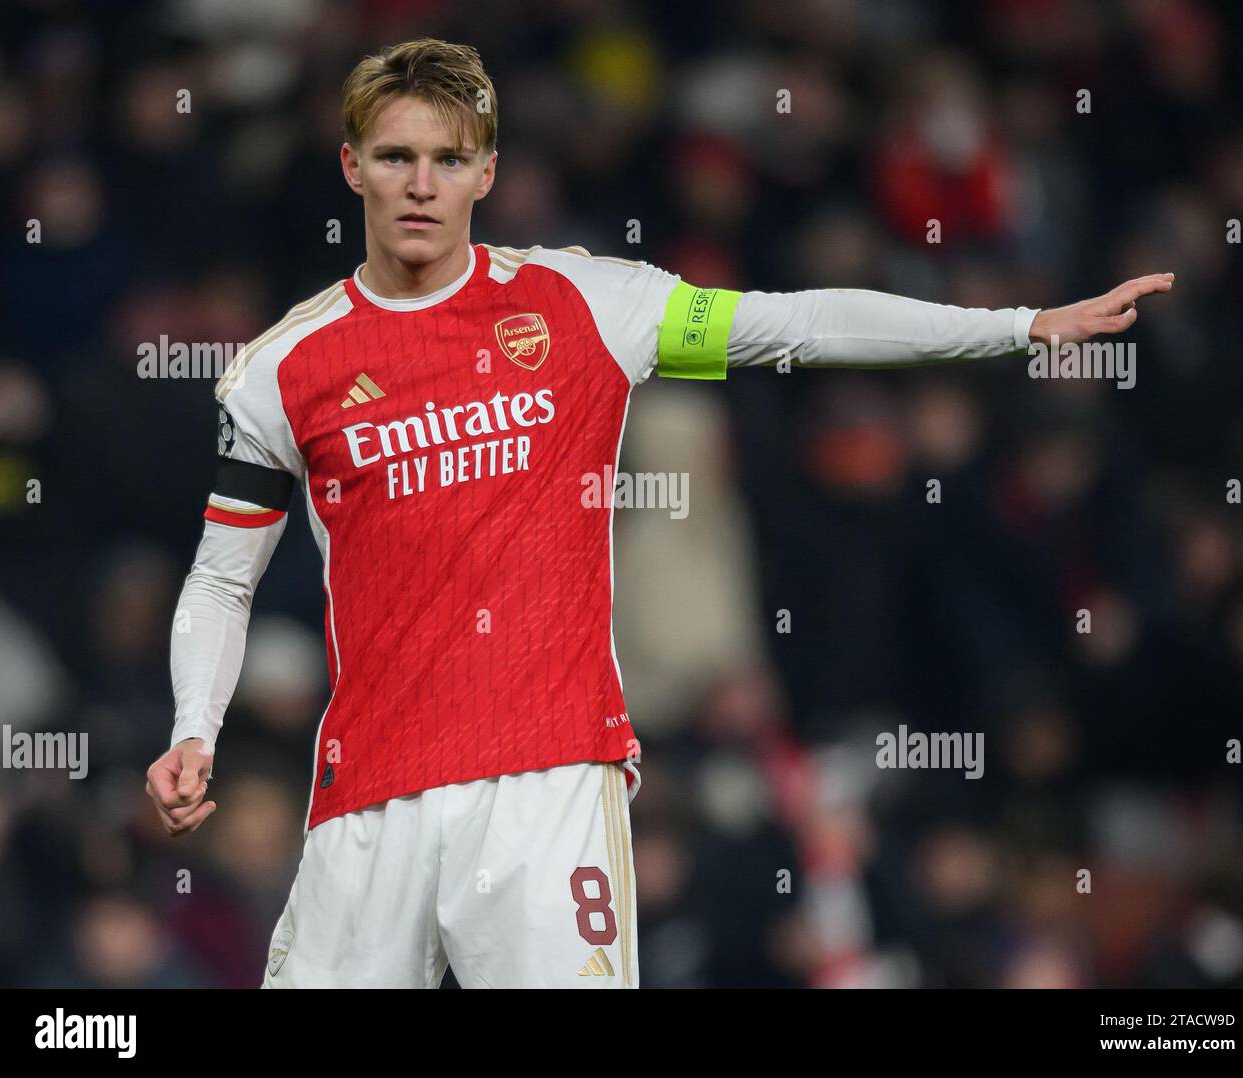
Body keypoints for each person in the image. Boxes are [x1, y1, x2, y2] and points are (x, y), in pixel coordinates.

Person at [144, 37, 1174, 988]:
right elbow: (222, 575)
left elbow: (798, 325)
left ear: (487, 173)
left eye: (449, 159)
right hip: (368, 793)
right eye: (397, 155)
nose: (422, 184)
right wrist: (196, 726)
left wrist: (1015, 326)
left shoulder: (590, 305)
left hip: (547, 783)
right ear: (351, 166)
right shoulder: (280, 370)